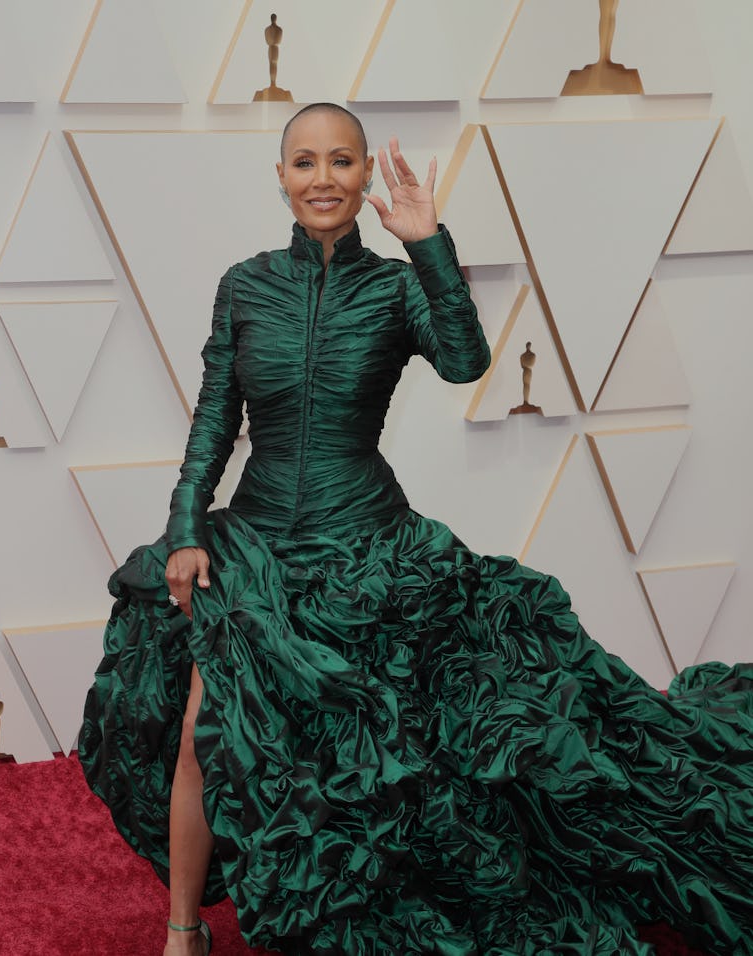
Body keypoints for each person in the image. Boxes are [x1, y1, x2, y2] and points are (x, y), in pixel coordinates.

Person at [80, 103, 753, 956]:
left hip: (368, 550)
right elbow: (215, 418)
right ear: (280, 176)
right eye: (304, 163)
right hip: (252, 549)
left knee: (393, 750)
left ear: (365, 177)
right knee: (202, 731)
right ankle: (183, 932)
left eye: (341, 162)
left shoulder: (396, 284)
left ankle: (366, 896)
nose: (323, 178)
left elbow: (466, 362)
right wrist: (184, 529)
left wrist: (429, 243)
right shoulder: (244, 284)